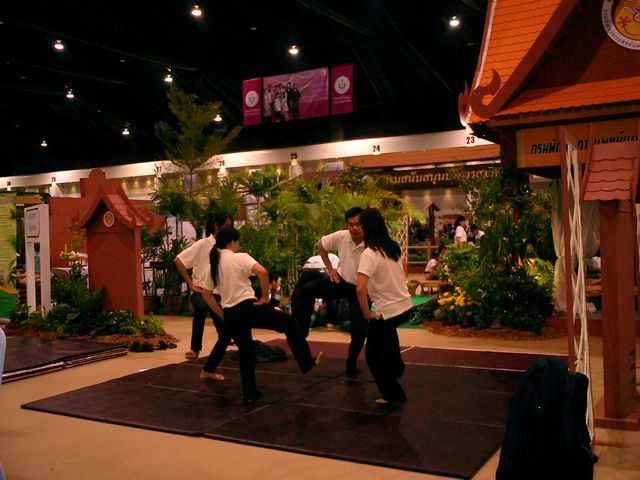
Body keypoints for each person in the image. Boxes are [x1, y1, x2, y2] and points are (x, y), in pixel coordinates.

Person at [201, 226, 322, 403]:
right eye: (237, 242)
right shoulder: (239, 257)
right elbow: (263, 272)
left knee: (247, 353)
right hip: (248, 307)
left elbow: (206, 294)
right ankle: (306, 363)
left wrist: (222, 314)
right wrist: (265, 297)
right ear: (232, 242)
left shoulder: (213, 264)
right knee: (290, 323)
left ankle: (250, 394)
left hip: (231, 313)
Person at [291, 207, 367, 377]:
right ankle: (302, 330)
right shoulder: (342, 236)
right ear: (347, 225)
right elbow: (321, 244)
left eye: (358, 224)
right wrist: (330, 269)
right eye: (351, 224)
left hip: (361, 289)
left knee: (359, 329)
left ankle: (351, 364)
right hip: (342, 281)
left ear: (364, 224)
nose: (354, 228)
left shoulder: (372, 242)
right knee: (305, 290)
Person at [356, 208, 413, 404]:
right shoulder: (392, 247)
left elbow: (360, 289)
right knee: (387, 335)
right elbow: (403, 272)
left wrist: (367, 314)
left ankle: (393, 394)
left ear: (365, 228)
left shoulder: (369, 253)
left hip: (387, 310)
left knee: (373, 355)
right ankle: (397, 366)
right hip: (405, 306)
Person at [174, 212, 233, 366]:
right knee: (201, 308)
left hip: (218, 292)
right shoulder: (203, 244)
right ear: (216, 226)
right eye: (226, 226)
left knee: (223, 325)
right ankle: (195, 349)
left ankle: (224, 345)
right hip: (201, 290)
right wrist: (190, 284)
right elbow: (179, 260)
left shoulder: (226, 247)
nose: (228, 230)